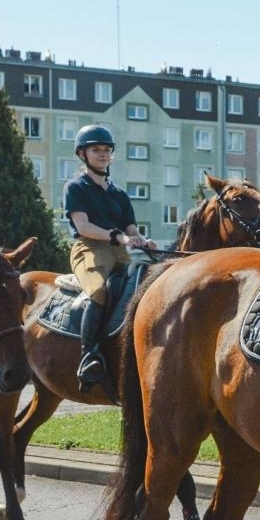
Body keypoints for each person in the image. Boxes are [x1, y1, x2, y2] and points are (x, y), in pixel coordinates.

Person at [63, 124, 158, 389]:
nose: (103, 154)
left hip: (119, 252)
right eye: (96, 150)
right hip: (89, 249)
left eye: (107, 150)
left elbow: (130, 229)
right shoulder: (75, 187)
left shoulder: (119, 194)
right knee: (99, 292)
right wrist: (118, 237)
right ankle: (88, 355)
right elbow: (83, 227)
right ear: (82, 154)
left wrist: (142, 240)